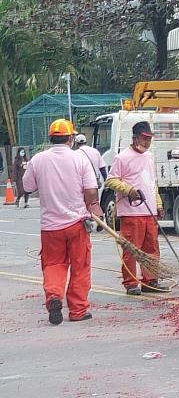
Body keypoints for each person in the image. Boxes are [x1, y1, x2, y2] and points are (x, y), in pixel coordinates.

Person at [22, 119, 101, 324]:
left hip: (50, 227)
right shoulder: (80, 159)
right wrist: (89, 206)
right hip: (77, 224)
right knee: (80, 267)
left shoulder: (38, 160)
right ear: (70, 138)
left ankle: (54, 296)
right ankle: (78, 311)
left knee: (54, 264)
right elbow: (91, 191)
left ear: (51, 138)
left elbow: (28, 187)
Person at [105, 121, 166, 295]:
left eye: (149, 139)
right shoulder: (122, 157)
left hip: (149, 211)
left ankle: (150, 280)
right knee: (131, 249)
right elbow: (110, 180)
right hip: (131, 212)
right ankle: (131, 282)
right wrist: (128, 189)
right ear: (135, 138)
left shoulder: (149, 157)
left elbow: (152, 183)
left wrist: (158, 203)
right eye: (144, 138)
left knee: (151, 248)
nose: (147, 142)